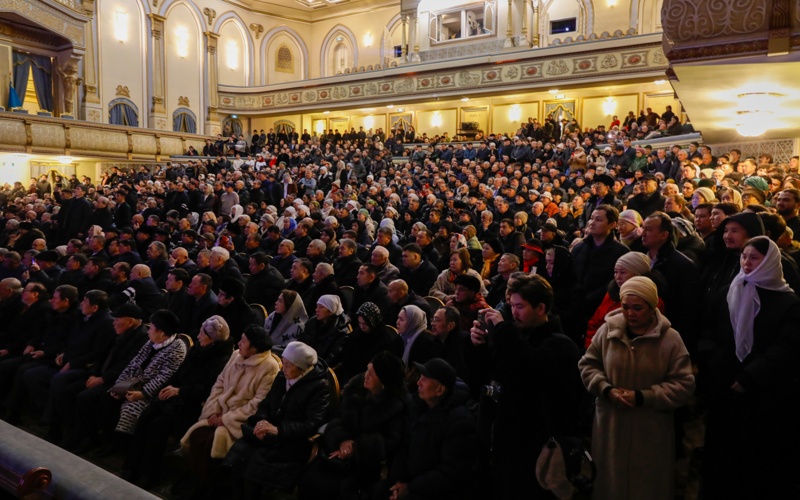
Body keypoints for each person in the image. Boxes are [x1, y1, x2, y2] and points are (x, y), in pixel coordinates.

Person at [700, 236, 800, 498]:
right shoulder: (728, 291)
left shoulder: (788, 302)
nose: (746, 262)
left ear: (769, 261)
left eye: (754, 258)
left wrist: (750, 376)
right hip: (724, 386)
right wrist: (716, 361)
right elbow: (709, 330)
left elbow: (786, 347)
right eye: (744, 256)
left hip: (764, 394)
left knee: (758, 460)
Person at [468, 274, 583, 499]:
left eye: (520, 306)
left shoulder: (560, 345)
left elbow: (528, 372)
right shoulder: (515, 337)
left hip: (534, 449)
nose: (513, 313)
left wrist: (503, 332)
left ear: (540, 308)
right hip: (503, 444)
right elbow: (484, 379)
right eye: (511, 306)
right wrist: (478, 346)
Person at [579, 276, 695, 500]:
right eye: (625, 307)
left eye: (637, 308)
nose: (630, 313)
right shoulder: (607, 332)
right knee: (609, 483)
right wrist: (606, 389)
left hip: (650, 430)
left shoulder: (670, 340)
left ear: (652, 308)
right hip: (610, 426)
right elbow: (587, 365)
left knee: (646, 486)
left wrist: (644, 397)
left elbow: (684, 384)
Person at [123, 314, 235, 489]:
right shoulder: (199, 348)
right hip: (174, 397)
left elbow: (208, 388)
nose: (198, 336)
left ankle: (150, 474)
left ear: (212, 339)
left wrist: (180, 390)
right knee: (146, 417)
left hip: (191, 404)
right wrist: (167, 388)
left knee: (158, 426)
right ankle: (132, 466)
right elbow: (179, 373)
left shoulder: (221, 359)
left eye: (202, 333)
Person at [178, 325, 280, 499]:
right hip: (219, 412)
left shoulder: (269, 367)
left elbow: (257, 403)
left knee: (211, 441)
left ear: (254, 347)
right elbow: (220, 382)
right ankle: (195, 480)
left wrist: (226, 418)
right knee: (197, 435)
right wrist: (214, 410)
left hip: (240, 421)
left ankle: (208, 487)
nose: (239, 343)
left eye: (244, 341)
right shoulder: (236, 356)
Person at [224, 341, 331, 498]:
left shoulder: (320, 388)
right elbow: (266, 404)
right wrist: (261, 421)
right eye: (284, 362)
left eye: (288, 365)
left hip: (291, 442)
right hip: (268, 433)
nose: (283, 368)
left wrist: (278, 430)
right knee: (236, 458)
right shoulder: (282, 376)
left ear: (301, 368)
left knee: (252, 468)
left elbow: (311, 424)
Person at [299, 352, 409, 500]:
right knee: (312, 477)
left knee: (336, 488)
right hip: (338, 451)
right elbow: (337, 419)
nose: (366, 375)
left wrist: (355, 448)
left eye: (372, 373)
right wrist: (342, 440)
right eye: (367, 369)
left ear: (384, 381)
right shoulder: (356, 389)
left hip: (365, 463)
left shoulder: (398, 406)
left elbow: (391, 443)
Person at [377, 358, 477, 500]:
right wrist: (398, 480)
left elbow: (450, 473)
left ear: (440, 390)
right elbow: (404, 446)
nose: (418, 382)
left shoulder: (459, 422)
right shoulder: (418, 406)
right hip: (411, 482)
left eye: (425, 379)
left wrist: (410, 488)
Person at [585, 252, 664, 347]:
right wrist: (591, 346)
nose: (617, 277)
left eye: (622, 272)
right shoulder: (611, 294)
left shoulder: (652, 300)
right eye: (615, 272)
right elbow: (594, 324)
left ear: (637, 274)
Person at [299, 294, 351, 368]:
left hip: (319, 367)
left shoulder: (341, 332)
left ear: (330, 311)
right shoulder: (312, 323)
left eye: (321, 307)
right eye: (317, 306)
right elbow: (301, 341)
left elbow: (332, 358)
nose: (316, 310)